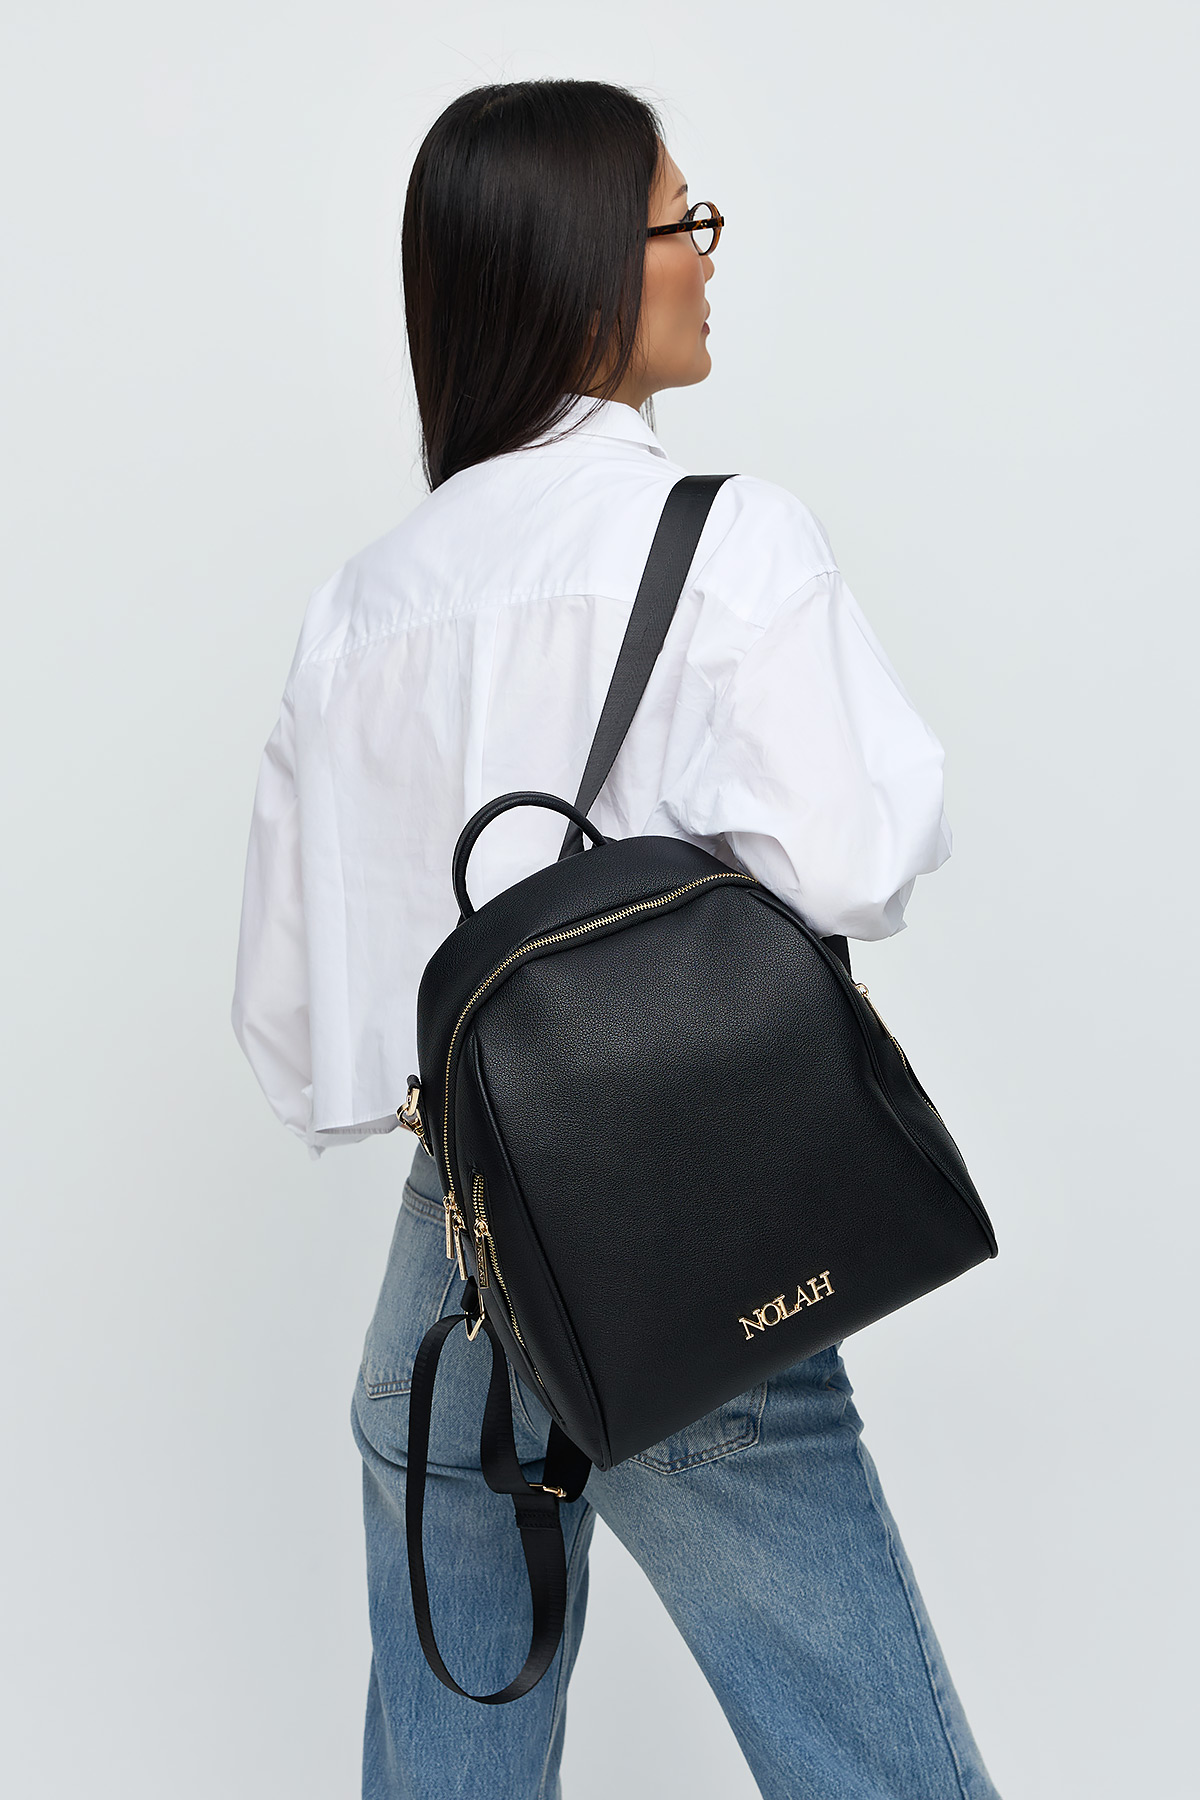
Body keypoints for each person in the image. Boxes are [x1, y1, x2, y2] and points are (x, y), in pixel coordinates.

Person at [232, 77, 1000, 1800]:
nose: (707, 257)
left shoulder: (356, 610)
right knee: (879, 1771)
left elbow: (294, 1041)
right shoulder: (729, 542)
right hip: (676, 1237)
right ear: (584, 268)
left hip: (444, 1270)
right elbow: (860, 860)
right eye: (679, 221)